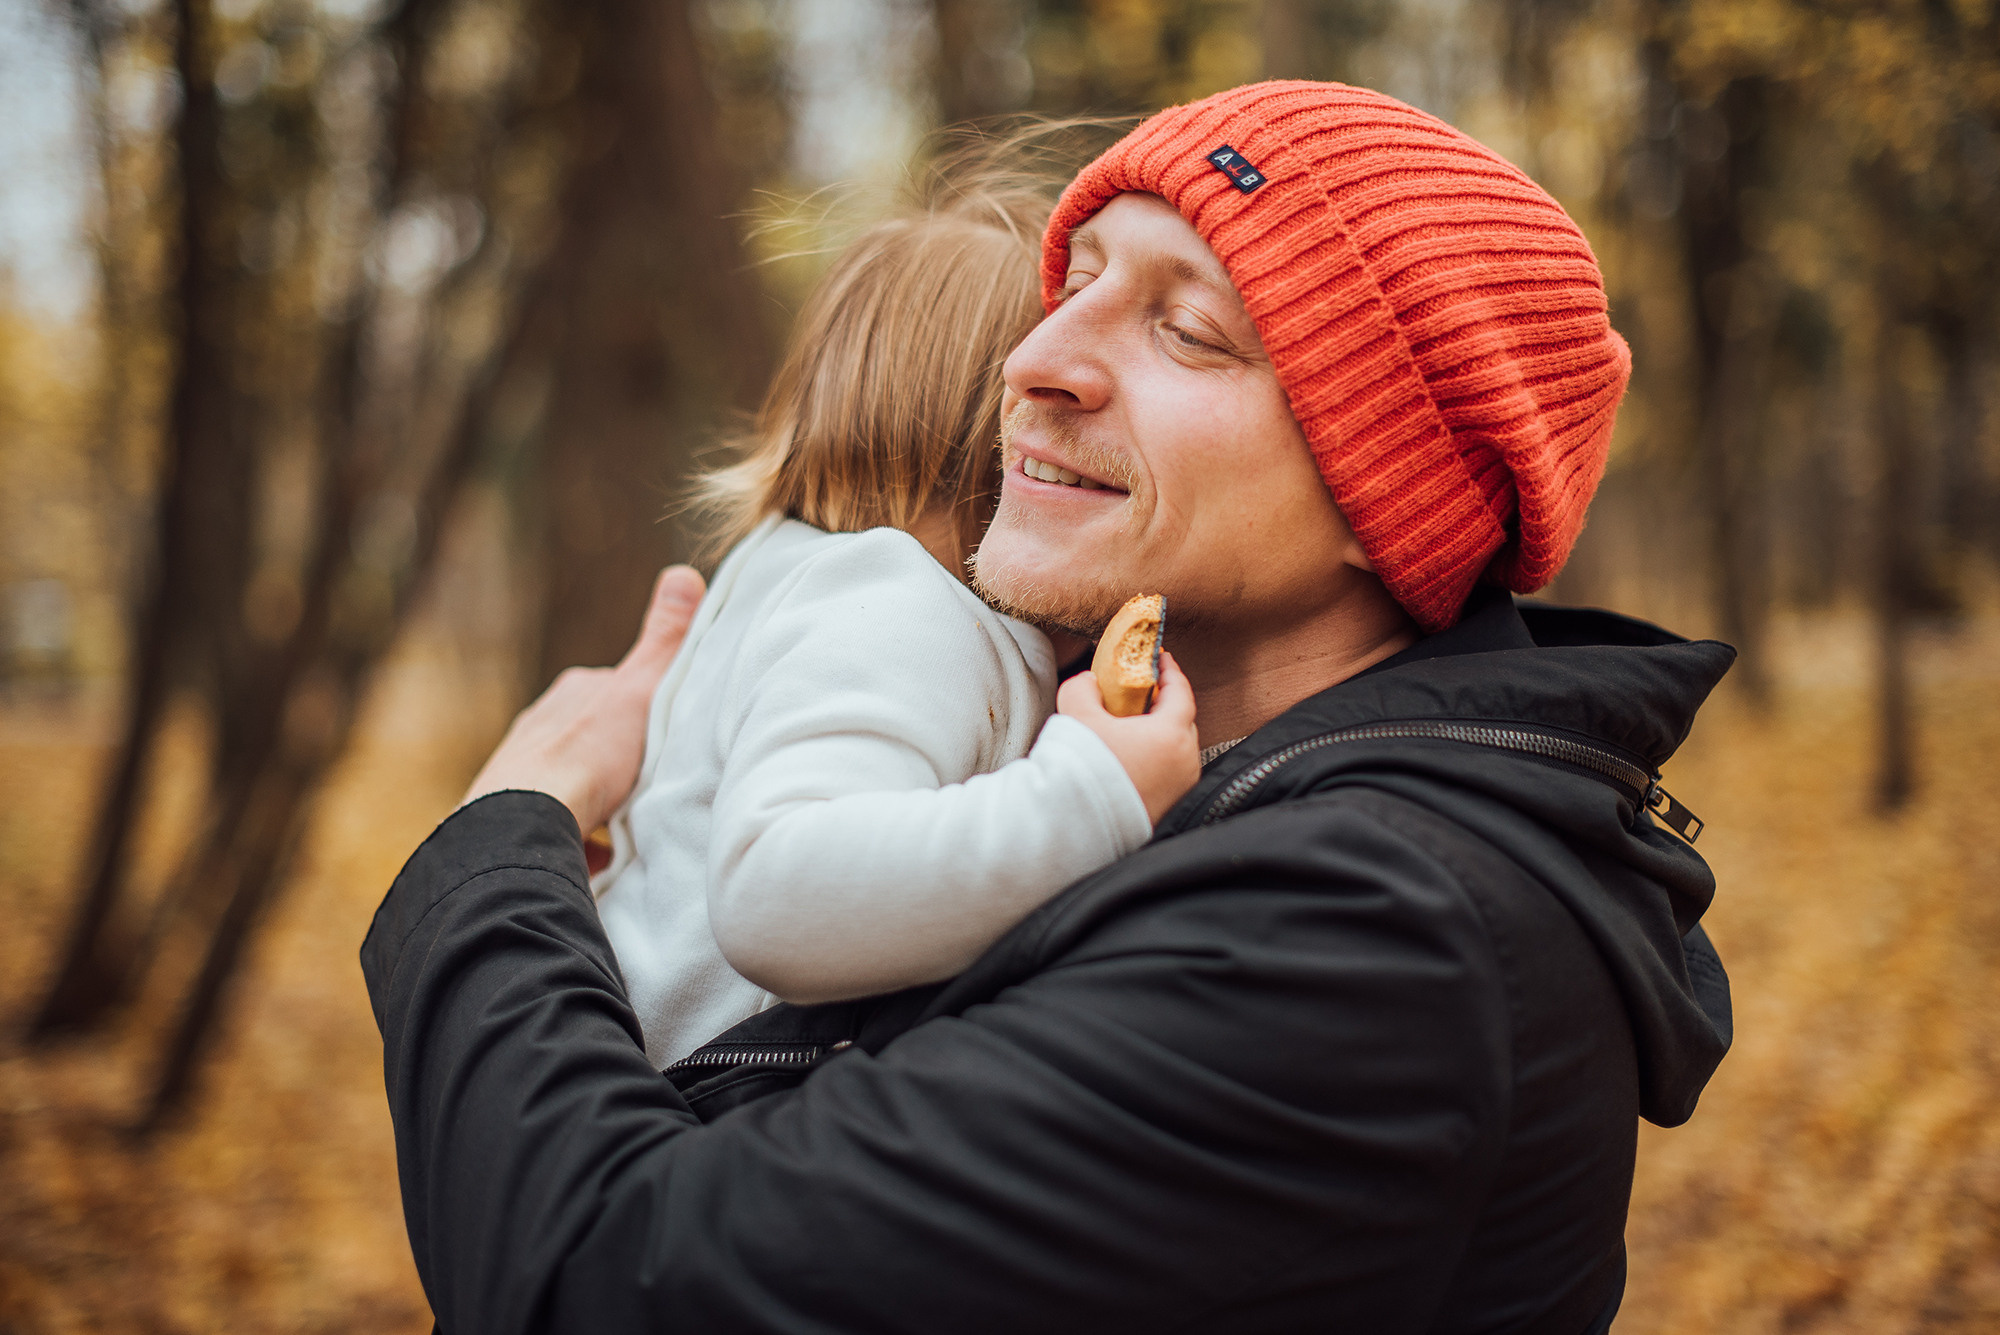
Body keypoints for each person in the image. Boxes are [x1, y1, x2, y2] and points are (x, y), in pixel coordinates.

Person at [364, 82, 1735, 1333]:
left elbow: (604, 1287)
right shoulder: (1199, 806)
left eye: (1189, 328)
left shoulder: (1366, 940)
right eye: (1071, 284)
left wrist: (507, 832)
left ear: (1394, 505)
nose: (1035, 359)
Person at [589, 178, 1198, 1068]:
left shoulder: (783, 566)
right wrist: (1091, 793)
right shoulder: (903, 604)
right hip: (706, 1106)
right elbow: (778, 894)